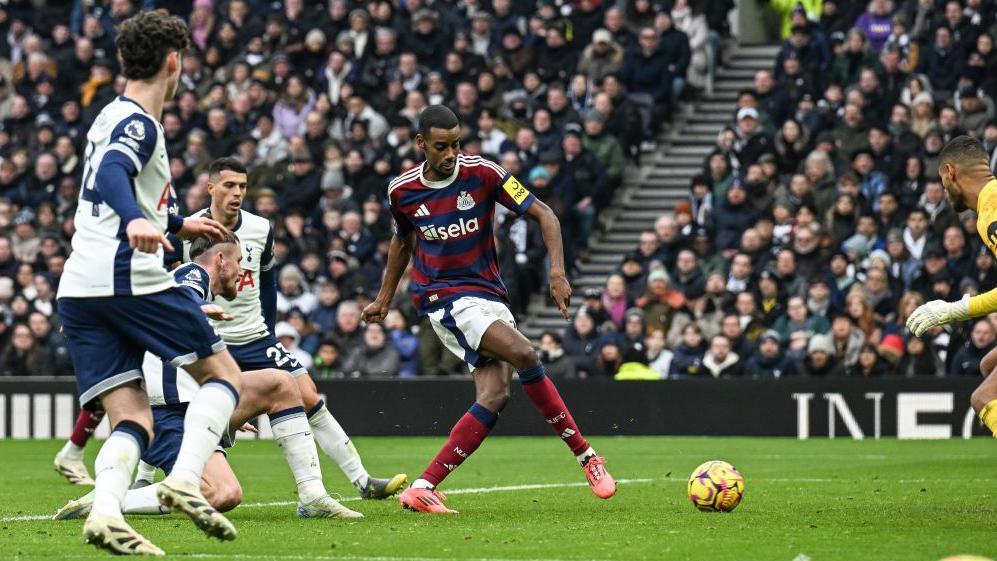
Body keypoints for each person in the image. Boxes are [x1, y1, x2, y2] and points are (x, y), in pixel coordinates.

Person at [361, 105, 616, 514]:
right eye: (441, 146)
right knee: (526, 353)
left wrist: (557, 273)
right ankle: (587, 456)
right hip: (443, 297)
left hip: (489, 295)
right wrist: (385, 298)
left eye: (456, 144)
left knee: (496, 394)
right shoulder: (402, 190)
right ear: (421, 144)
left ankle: (423, 486)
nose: (451, 154)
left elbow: (545, 214)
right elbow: (402, 241)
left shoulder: (485, 172)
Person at [54, 11, 242, 554]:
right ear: (174, 62)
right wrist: (138, 221)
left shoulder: (107, 114)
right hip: (127, 278)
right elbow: (114, 172)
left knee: (131, 416)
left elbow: (108, 188)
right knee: (223, 376)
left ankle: (107, 512)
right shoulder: (140, 123)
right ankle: (185, 479)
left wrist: (177, 223)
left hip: (79, 289)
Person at [54, 234, 363, 521]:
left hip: (193, 403)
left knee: (280, 383)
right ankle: (109, 499)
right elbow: (187, 293)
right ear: (220, 260)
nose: (242, 271)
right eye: (239, 261)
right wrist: (200, 305)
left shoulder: (174, 289)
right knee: (224, 494)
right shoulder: (193, 274)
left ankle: (312, 494)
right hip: (166, 414)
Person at [177, 158, 405, 499]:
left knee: (310, 396)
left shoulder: (260, 228)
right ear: (210, 188)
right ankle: (146, 478)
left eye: (242, 186)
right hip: (208, 338)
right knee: (176, 407)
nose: (237, 192)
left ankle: (362, 481)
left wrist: (268, 331)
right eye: (228, 185)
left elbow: (267, 284)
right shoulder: (187, 228)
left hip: (255, 336)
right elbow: (174, 280)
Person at [906, 136, 997, 439]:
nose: (944, 192)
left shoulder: (992, 211)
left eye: (942, 184)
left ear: (950, 172)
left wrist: (957, 309)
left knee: (983, 398)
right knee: (989, 364)